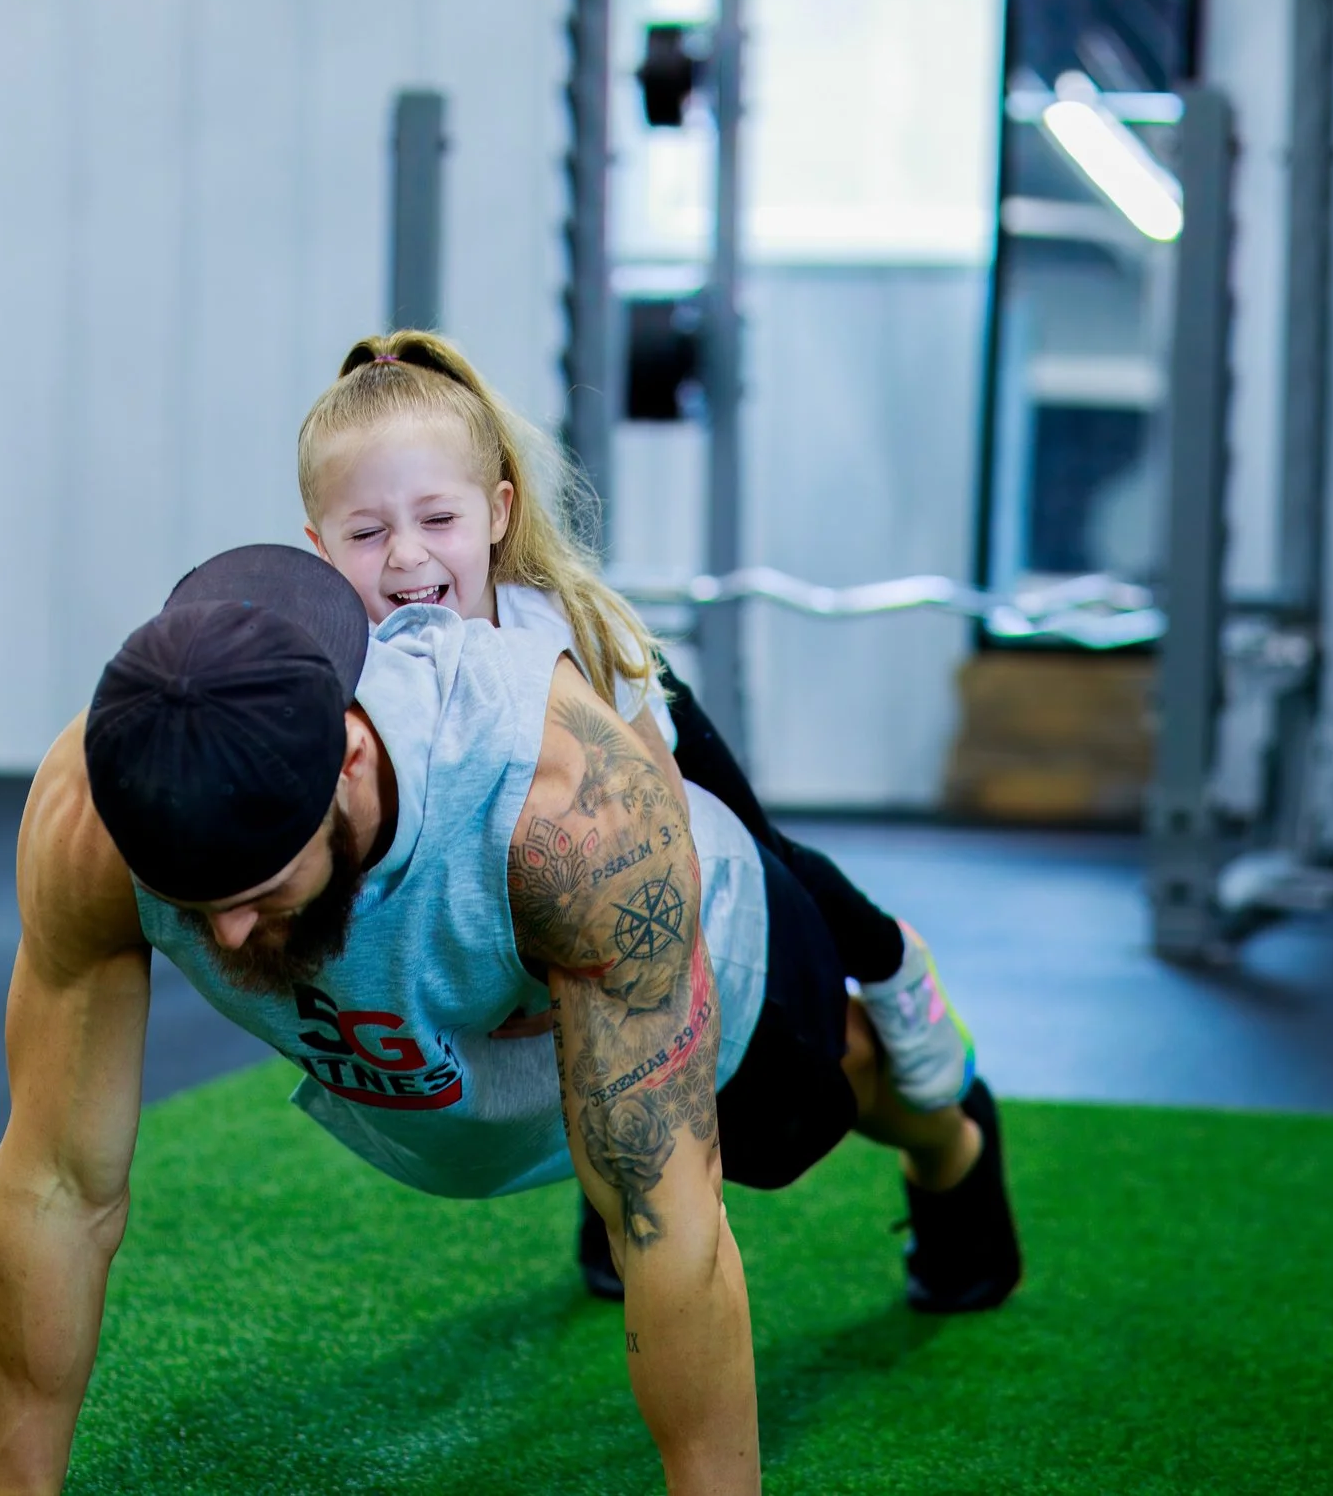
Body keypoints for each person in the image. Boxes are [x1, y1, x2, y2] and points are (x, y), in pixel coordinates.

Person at [0, 542, 1021, 1496]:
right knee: (606, 1134)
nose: (232, 935)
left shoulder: (566, 809)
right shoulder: (93, 816)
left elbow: (672, 1218)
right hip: (462, 1035)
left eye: (257, 886)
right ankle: (590, 1117)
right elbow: (58, 1185)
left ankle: (953, 1140)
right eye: (190, 902)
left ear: (346, 758)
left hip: (689, 951)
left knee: (830, 1091)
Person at [295, 331, 977, 1297]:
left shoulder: (564, 637)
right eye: (367, 534)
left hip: (658, 756)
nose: (405, 555)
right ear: (319, 548)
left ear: (497, 515)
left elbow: (660, 848)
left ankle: (895, 960)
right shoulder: (338, 674)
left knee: (776, 877)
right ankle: (604, 1180)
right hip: (555, 857)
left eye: (436, 518)